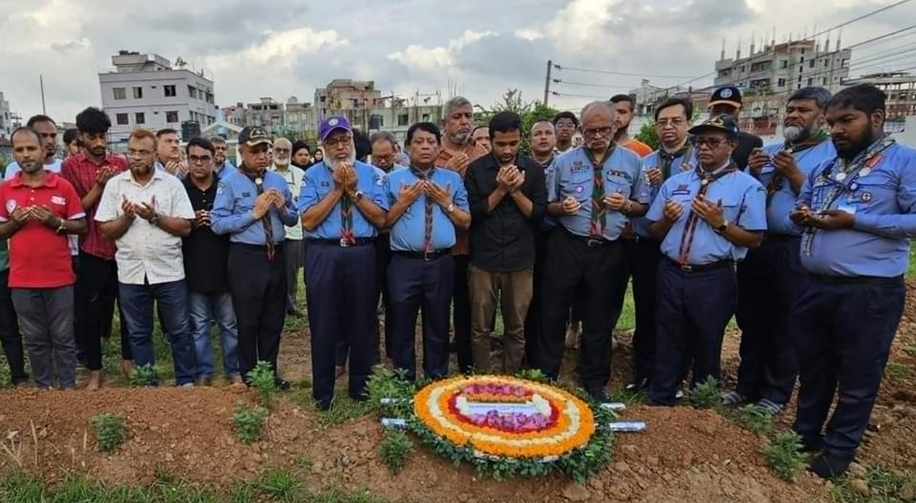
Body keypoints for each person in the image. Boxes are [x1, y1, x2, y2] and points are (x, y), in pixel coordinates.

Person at [788, 83, 916, 479]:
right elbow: (803, 204)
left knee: (858, 372)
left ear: (876, 118)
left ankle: (839, 450)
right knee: (813, 368)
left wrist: (858, 220)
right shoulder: (827, 167)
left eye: (847, 121)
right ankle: (804, 435)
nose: (837, 130)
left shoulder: (903, 162)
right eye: (832, 123)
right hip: (816, 285)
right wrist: (802, 216)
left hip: (868, 291)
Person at [725, 87, 837, 415]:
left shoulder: (830, 156)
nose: (793, 115)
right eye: (791, 109)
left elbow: (827, 202)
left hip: (793, 247)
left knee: (786, 321)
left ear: (822, 117)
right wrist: (753, 172)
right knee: (751, 318)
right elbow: (745, 194)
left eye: (803, 110)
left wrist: (794, 174)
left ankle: (775, 393)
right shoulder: (769, 150)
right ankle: (746, 386)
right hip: (757, 245)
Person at [645, 114, 766, 406]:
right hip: (672, 271)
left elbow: (755, 239)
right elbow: (653, 230)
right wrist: (666, 219)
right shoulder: (676, 182)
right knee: (668, 336)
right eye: (699, 141)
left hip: (713, 276)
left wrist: (720, 223)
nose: (704, 148)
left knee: (707, 340)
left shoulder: (748, 187)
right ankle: (661, 398)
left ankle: (702, 403)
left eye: (713, 142)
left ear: (732, 146)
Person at [540, 101, 650, 402]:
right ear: (581, 129)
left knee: (599, 316)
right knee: (553, 311)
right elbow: (547, 205)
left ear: (615, 126)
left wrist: (626, 205)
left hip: (607, 248)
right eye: (590, 130)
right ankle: (546, 373)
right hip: (568, 245)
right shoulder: (563, 162)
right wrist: (562, 207)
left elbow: (643, 205)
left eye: (604, 129)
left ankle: (594, 379)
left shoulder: (632, 162)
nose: (597, 135)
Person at [95, 128, 197, 387]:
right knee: (138, 333)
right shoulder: (116, 185)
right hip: (131, 273)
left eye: (143, 152)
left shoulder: (172, 185)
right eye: (132, 152)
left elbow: (186, 227)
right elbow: (106, 230)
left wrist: (154, 217)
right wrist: (127, 217)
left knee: (180, 331)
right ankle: (147, 384)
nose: (137, 157)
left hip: (169, 272)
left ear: (154, 154)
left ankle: (185, 381)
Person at [299, 116, 388, 410]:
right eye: (332, 142)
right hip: (324, 253)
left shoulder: (372, 174)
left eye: (344, 140)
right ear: (323, 145)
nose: (340, 147)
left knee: (362, 319)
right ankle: (323, 391)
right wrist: (338, 190)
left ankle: (360, 386)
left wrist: (353, 191)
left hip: (361, 252)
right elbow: (309, 221)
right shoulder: (312, 176)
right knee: (323, 322)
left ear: (352, 140)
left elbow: (381, 218)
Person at [211, 126, 298, 390]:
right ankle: (249, 375)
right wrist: (254, 213)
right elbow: (217, 223)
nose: (262, 155)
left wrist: (282, 209)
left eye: (265, 150)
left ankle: (269, 373)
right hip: (246, 259)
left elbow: (294, 218)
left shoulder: (277, 181)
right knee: (248, 320)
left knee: (274, 319)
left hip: (276, 256)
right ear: (241, 152)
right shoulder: (228, 183)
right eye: (255, 150)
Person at [0, 127, 87, 389]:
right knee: (35, 339)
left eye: (31, 148)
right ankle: (44, 389)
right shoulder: (6, 189)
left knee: (63, 337)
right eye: (19, 150)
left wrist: (55, 222)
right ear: (14, 154)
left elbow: (81, 226)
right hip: (22, 279)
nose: (26, 155)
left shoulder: (62, 185)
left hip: (59, 277)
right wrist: (14, 224)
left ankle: (68, 388)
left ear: (43, 150)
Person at [384, 122, 470, 380]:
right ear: (408, 147)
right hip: (404, 263)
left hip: (440, 262)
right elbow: (382, 222)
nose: (425, 147)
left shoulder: (452, 180)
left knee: (438, 321)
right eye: (419, 142)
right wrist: (404, 202)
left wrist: (446, 202)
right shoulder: (392, 180)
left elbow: (466, 222)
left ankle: (436, 375)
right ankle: (403, 377)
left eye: (431, 142)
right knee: (401, 321)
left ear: (438, 147)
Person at [465, 112, 546, 373]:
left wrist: (515, 191)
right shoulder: (477, 170)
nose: (507, 150)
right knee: (480, 327)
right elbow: (474, 213)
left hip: (520, 260)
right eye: (501, 144)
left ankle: (510, 377)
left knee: (516, 326)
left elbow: (538, 215)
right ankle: (482, 378)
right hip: (483, 261)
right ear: (490, 140)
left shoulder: (532, 170)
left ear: (520, 139)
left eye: (513, 143)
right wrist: (500, 190)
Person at [627, 97, 696, 393]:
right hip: (647, 246)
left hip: (683, 248)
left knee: (679, 315)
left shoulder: (697, 163)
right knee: (646, 311)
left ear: (688, 124)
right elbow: (638, 205)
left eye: (675, 121)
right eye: (662, 122)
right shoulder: (644, 163)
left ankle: (675, 376)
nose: (668, 127)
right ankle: (643, 372)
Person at [61, 106, 133, 389]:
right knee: (91, 313)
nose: (99, 142)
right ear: (81, 137)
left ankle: (129, 361)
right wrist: (100, 187)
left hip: (122, 248)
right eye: (93, 136)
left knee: (127, 308)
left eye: (103, 135)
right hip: (91, 249)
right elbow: (75, 212)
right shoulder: (71, 167)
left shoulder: (120, 163)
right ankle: (94, 369)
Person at [182, 137, 242, 386]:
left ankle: (234, 370)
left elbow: (238, 219)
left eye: (204, 158)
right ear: (187, 160)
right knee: (198, 326)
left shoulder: (226, 186)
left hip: (225, 266)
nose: (199, 163)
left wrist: (218, 222)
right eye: (193, 158)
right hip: (193, 267)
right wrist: (190, 222)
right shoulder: (179, 189)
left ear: (214, 160)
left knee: (230, 324)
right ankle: (204, 372)